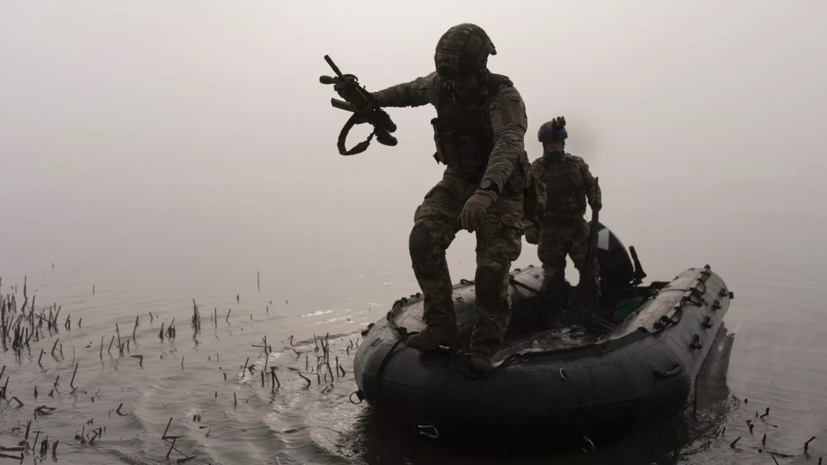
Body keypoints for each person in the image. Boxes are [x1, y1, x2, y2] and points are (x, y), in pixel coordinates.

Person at [368, 23, 532, 372]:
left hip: (502, 191)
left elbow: (507, 145)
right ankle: (440, 325)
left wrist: (486, 192)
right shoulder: (442, 84)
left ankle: (484, 348)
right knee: (423, 237)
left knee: (490, 273)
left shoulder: (505, 98)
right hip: (459, 179)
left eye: (463, 78)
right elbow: (409, 91)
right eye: (451, 78)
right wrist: (371, 99)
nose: (457, 85)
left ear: (482, 68)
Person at [526, 117, 602, 306]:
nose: (553, 146)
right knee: (553, 273)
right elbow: (525, 198)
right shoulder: (536, 170)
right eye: (549, 143)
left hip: (577, 225)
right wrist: (528, 225)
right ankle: (551, 313)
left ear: (563, 142)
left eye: (557, 142)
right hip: (551, 228)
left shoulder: (576, 164)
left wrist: (595, 199)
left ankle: (591, 307)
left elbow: (591, 184)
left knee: (589, 268)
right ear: (544, 144)